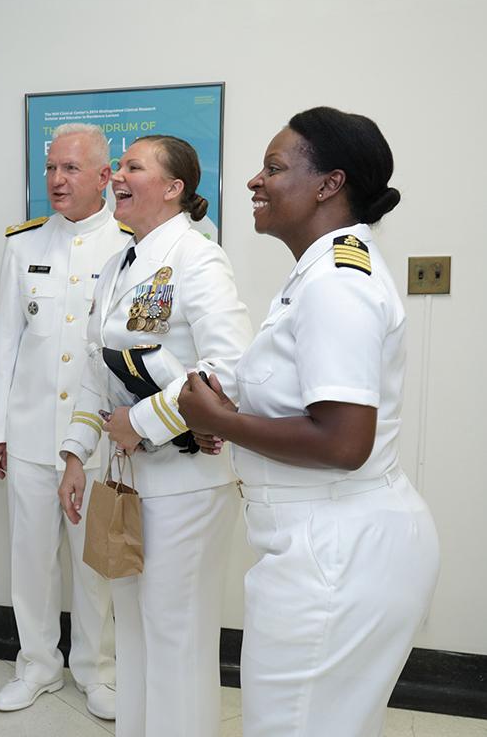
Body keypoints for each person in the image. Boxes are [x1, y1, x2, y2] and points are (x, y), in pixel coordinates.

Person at [178, 107, 440, 737]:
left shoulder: (337, 283)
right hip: (321, 543)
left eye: (274, 168)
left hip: (336, 553)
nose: (254, 182)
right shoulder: (318, 272)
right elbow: (307, 410)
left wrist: (223, 420)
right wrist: (233, 417)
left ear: (329, 184)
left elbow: (345, 441)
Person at [58, 135, 252, 737]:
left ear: (173, 188)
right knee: (135, 629)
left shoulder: (197, 257)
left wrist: (141, 425)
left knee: (177, 632)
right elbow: (97, 365)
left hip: (188, 480)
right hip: (130, 479)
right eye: (117, 166)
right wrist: (75, 452)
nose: (117, 176)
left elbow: (229, 367)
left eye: (132, 167)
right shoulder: (120, 262)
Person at [0, 122, 126, 718]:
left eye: (71, 169)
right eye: (51, 169)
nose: (57, 180)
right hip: (30, 431)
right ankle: (37, 664)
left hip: (95, 437)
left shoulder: (126, 243)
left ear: (103, 176)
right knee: (31, 555)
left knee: (94, 562)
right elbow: (4, 345)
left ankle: (97, 669)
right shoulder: (23, 244)